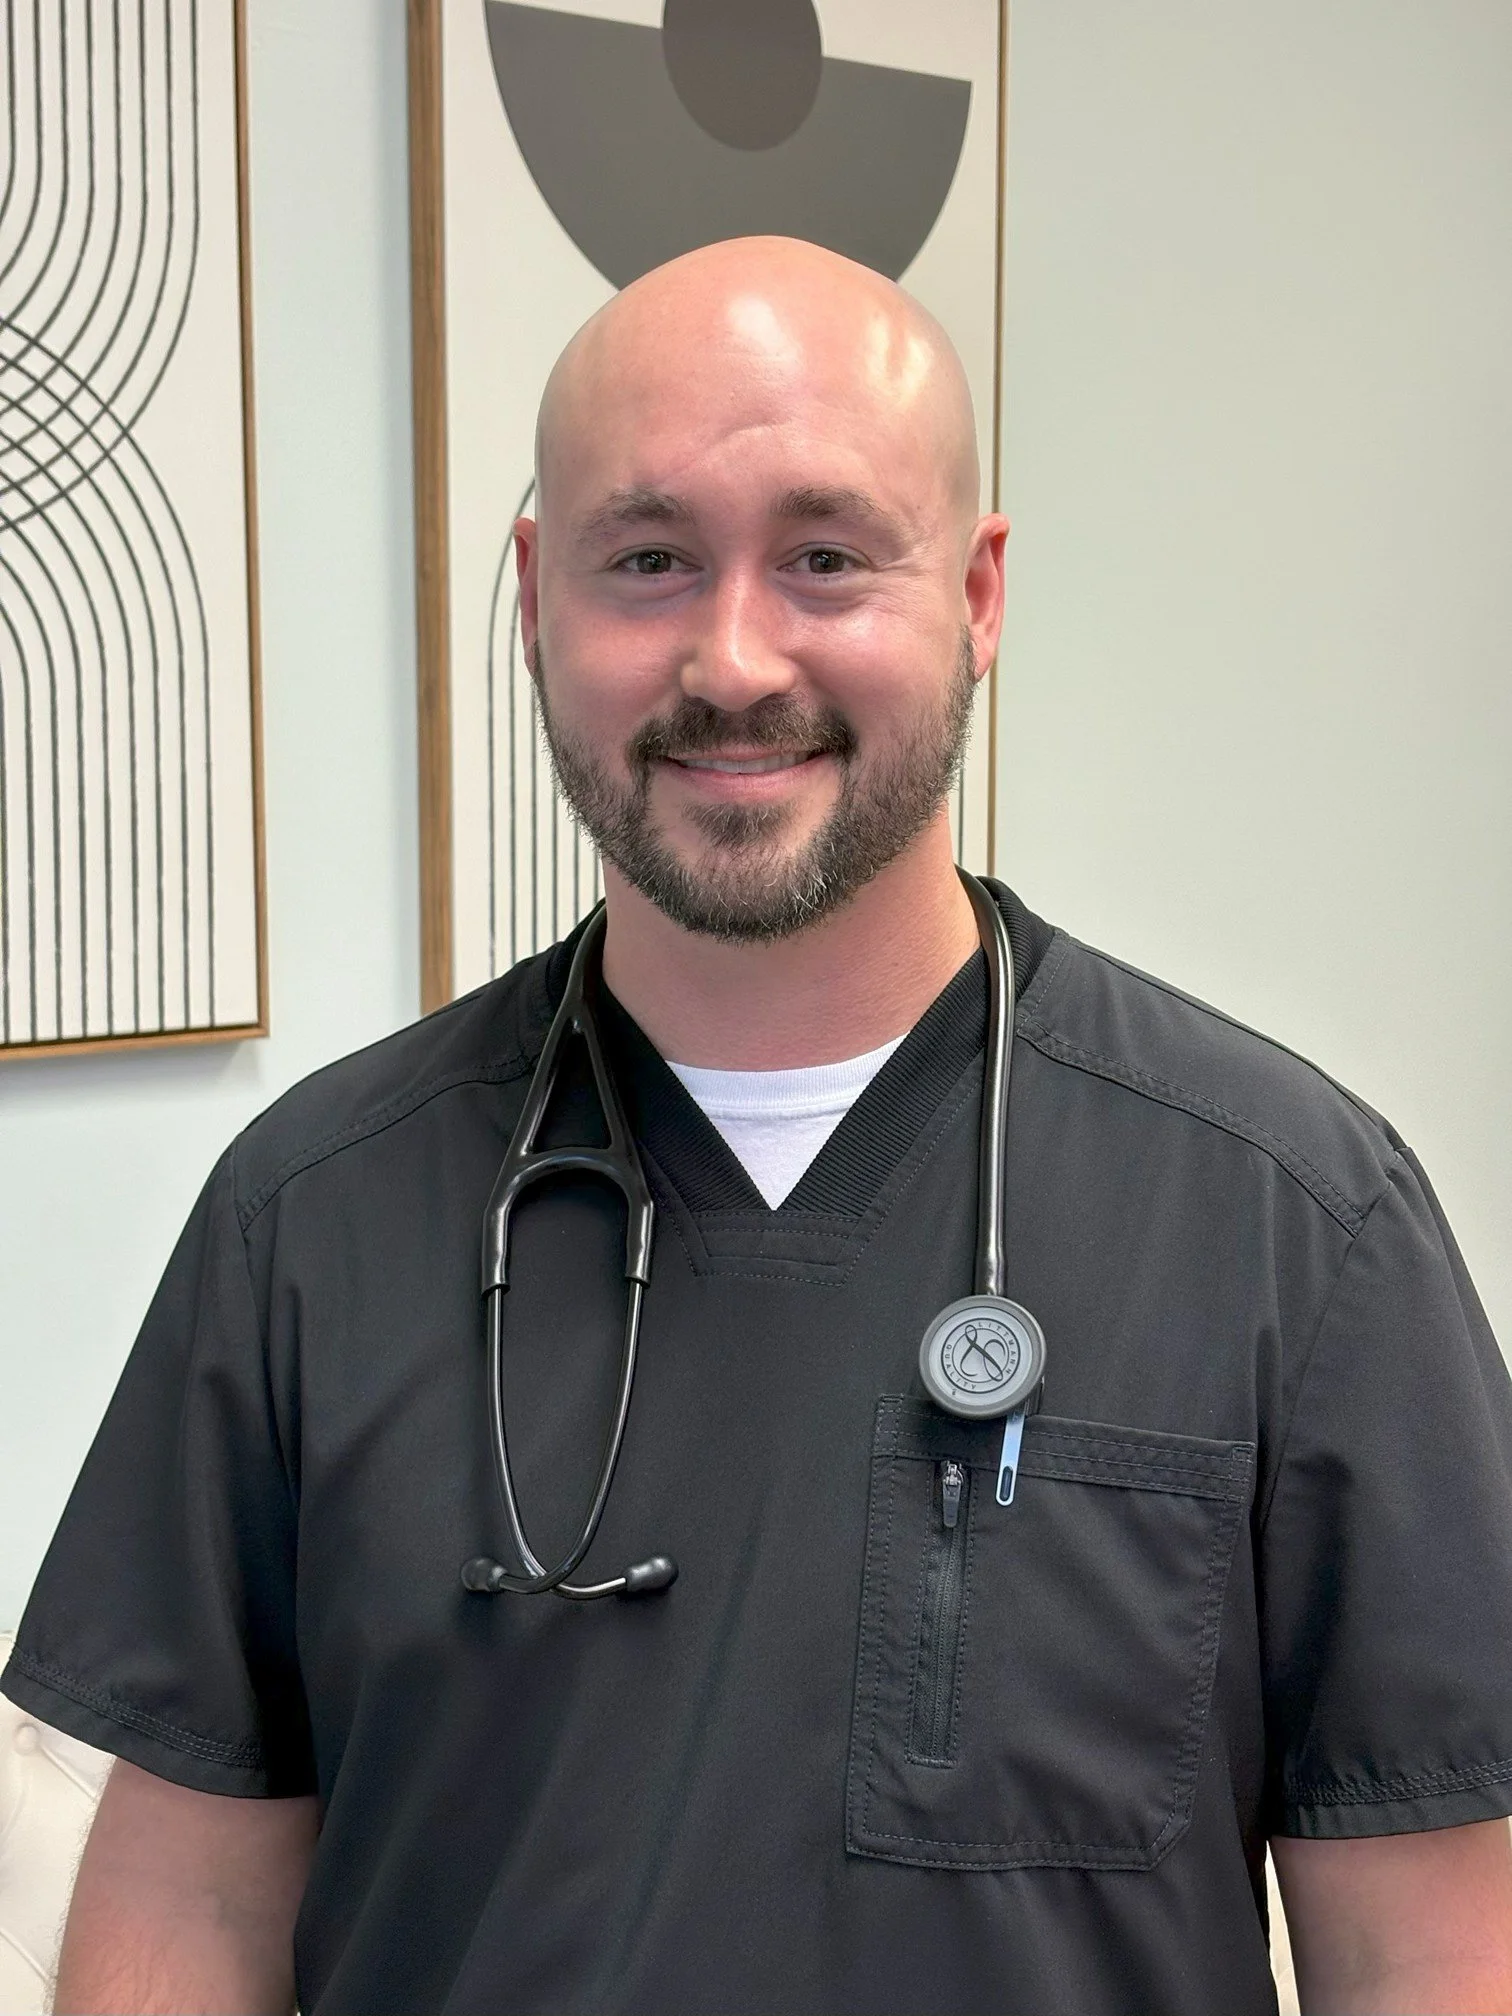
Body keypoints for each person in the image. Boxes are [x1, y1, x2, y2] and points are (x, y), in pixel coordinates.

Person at [6, 235, 1512, 2016]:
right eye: (646, 561)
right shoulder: (308, 1222)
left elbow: (1431, 1951)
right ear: (532, 599)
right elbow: (183, 1923)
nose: (731, 656)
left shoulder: (1293, 1224)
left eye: (823, 557)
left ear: (978, 595)